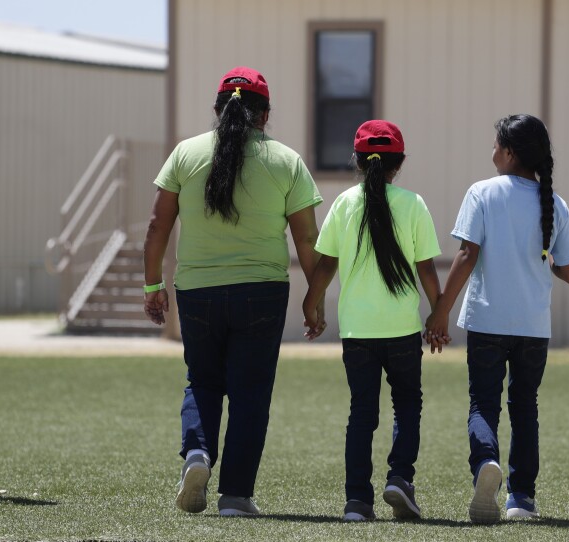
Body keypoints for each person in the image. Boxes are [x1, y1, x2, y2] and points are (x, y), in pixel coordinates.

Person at [142, 66, 324, 517]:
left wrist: (152, 286)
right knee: (250, 391)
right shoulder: (287, 160)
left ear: (218, 111)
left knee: (202, 380)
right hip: (262, 292)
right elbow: (306, 240)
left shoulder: (185, 154)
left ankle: (197, 454)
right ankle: (236, 496)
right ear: (265, 115)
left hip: (197, 289)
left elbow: (157, 224)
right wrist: (314, 298)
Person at [424, 114, 569, 524]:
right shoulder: (555, 203)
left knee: (483, 404)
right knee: (525, 406)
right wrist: (543, 258)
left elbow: (466, 254)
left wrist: (440, 310)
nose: (491, 151)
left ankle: (486, 464)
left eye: (496, 144)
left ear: (509, 152)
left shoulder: (482, 193)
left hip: (487, 320)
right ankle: (521, 500)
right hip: (533, 326)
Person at [302, 120, 443, 522]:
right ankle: (400, 477)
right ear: (399, 163)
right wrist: (438, 314)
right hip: (401, 330)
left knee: (362, 412)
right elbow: (427, 271)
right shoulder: (414, 204)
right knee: (408, 407)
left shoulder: (344, 204)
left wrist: (312, 305)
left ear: (358, 162)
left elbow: (326, 264)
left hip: (357, 332)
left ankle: (357, 502)